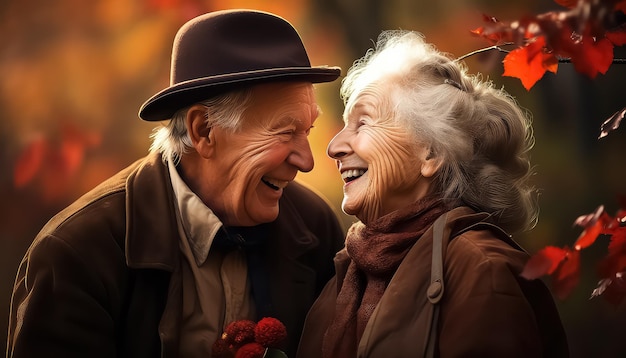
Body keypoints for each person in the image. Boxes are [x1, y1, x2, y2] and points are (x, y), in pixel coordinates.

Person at [7, 9, 346, 358]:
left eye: (307, 131)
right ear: (204, 131)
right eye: (285, 132)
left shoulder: (314, 228)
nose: (306, 161)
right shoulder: (78, 252)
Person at [296, 30, 569, 358]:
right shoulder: (341, 280)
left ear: (430, 154)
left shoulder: (482, 271)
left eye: (363, 123)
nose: (333, 147)